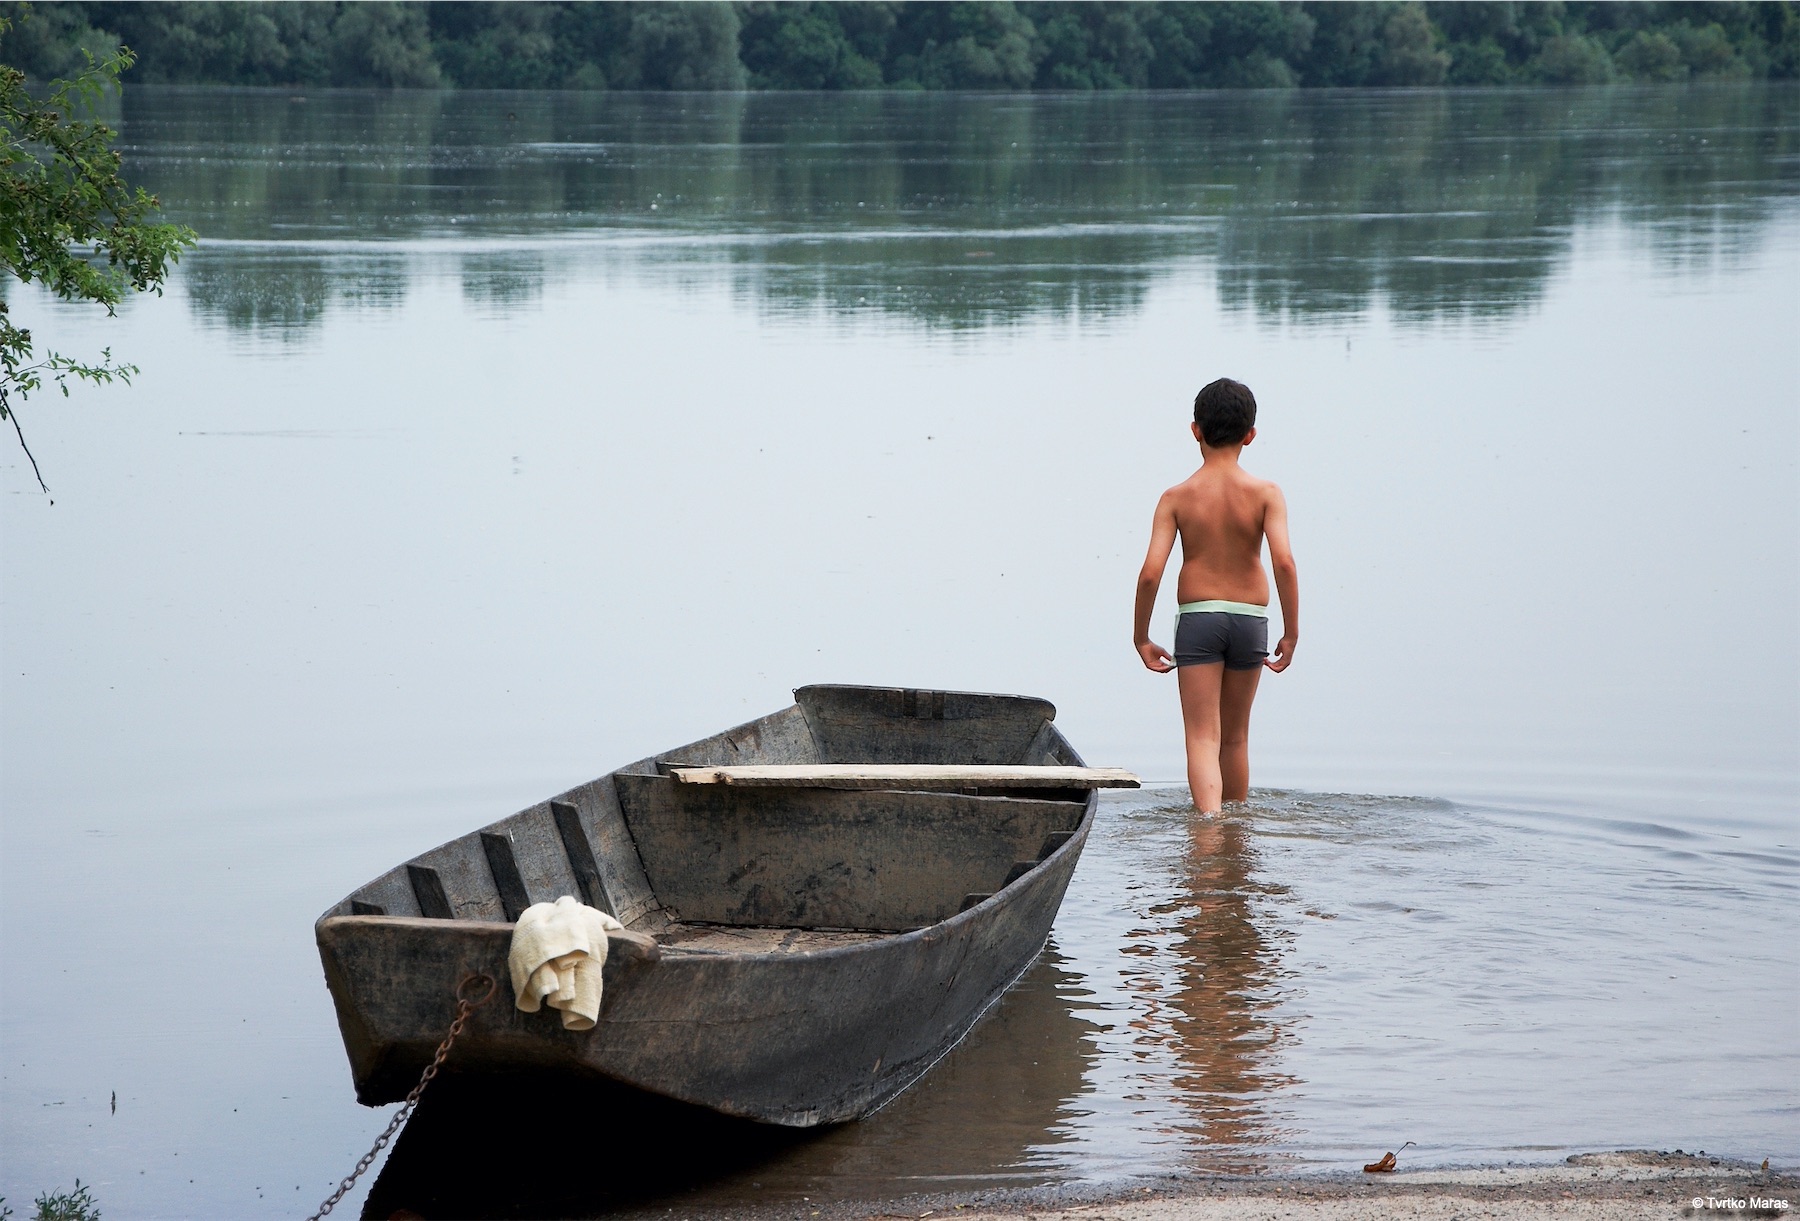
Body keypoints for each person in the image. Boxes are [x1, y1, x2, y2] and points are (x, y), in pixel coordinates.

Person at [1133, 377, 1298, 815]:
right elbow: (1284, 563)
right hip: (1251, 620)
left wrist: (1141, 637)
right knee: (1237, 735)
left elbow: (1151, 573)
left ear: (1195, 430)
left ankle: (1208, 830)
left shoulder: (1176, 498)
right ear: (1250, 435)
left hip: (1200, 619)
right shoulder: (1266, 494)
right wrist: (1292, 633)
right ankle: (1235, 835)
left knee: (1203, 736)